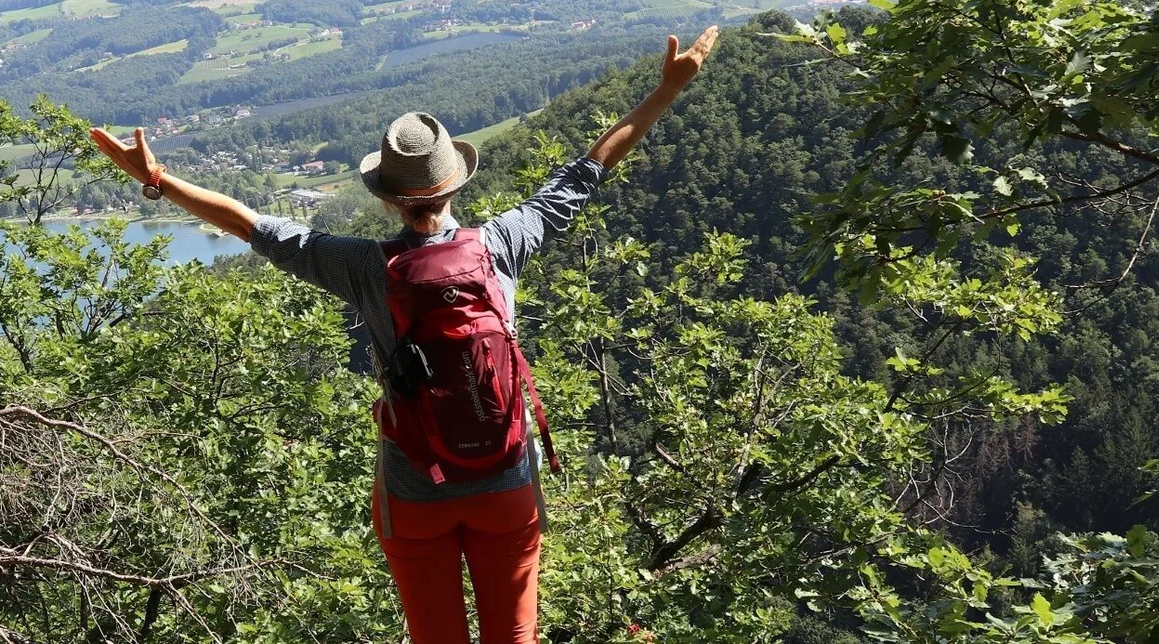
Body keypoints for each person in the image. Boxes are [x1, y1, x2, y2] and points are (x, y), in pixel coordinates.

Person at [89, 27, 720, 644]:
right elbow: (589, 169)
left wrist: (157, 180)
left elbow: (252, 225)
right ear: (454, 184)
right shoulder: (502, 244)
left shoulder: (365, 267)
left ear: (389, 199)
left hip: (417, 487)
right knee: (516, 634)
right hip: (506, 482)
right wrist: (667, 88)